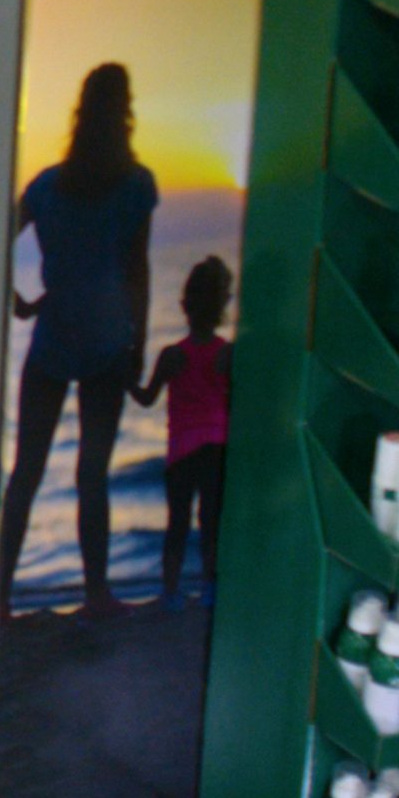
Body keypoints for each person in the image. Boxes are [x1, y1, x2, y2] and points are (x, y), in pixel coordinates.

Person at [3, 62, 154, 611]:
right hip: (108, 341)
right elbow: (137, 271)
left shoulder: (47, 187)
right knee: (93, 474)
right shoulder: (136, 186)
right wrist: (139, 345)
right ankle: (96, 593)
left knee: (27, 472)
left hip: (53, 338)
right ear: (125, 113)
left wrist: (17, 301)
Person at [134, 256, 233, 609]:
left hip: (182, 450)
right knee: (211, 522)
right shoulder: (227, 354)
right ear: (221, 307)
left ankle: (170, 591)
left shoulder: (172, 355)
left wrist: (124, 376)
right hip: (217, 447)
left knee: (177, 523)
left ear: (185, 306)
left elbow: (146, 399)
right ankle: (209, 587)